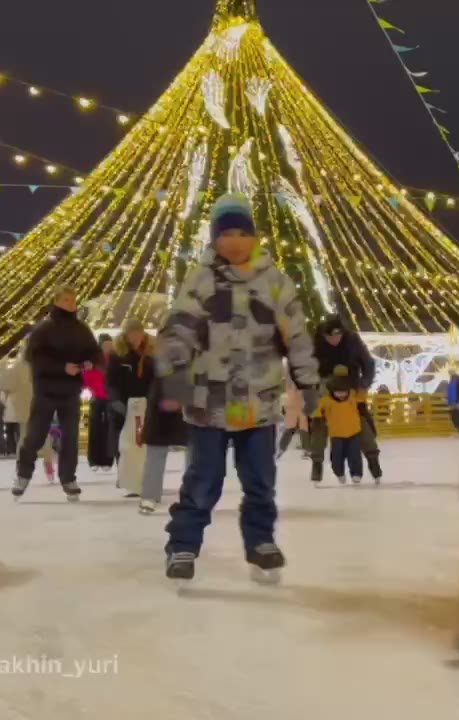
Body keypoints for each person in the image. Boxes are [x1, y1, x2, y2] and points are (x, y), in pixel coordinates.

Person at [154, 193, 320, 584]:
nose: (234, 241)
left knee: (260, 480)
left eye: (242, 233)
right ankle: (183, 544)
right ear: (214, 238)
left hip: (257, 403)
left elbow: (297, 336)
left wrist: (307, 380)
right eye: (226, 233)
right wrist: (173, 376)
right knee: (203, 480)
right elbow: (178, 329)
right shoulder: (201, 280)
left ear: (254, 237)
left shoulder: (275, 283)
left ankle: (261, 541)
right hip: (207, 403)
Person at [12, 286, 99, 501]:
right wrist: (62, 367)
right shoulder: (44, 329)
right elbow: (34, 358)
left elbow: (95, 352)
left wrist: (89, 362)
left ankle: (68, 478)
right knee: (35, 435)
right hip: (46, 391)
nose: (71, 303)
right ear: (57, 301)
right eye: (66, 299)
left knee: (70, 437)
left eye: (73, 300)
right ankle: (23, 474)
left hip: (71, 391)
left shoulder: (82, 329)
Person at [309, 315, 382, 483]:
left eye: (337, 336)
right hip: (326, 383)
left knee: (360, 420)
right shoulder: (317, 341)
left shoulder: (352, 340)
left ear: (342, 333)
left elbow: (368, 363)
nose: (333, 340)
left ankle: (373, 460)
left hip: (350, 382)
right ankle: (317, 463)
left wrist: (364, 383)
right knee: (319, 421)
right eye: (329, 337)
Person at [108, 321, 154, 498]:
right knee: (124, 444)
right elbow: (111, 381)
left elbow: (155, 379)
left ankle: (142, 478)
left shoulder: (150, 353)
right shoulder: (117, 354)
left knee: (143, 444)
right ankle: (125, 476)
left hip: (145, 404)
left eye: (138, 334)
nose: (135, 338)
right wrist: (115, 401)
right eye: (132, 335)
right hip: (123, 404)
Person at [138, 367, 187, 516]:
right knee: (155, 454)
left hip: (189, 409)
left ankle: (193, 496)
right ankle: (149, 495)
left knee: (195, 456)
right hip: (159, 411)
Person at [315, 367, 365, 485]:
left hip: (353, 432)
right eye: (338, 393)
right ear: (333, 391)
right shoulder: (327, 400)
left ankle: (356, 473)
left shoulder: (353, 396)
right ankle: (339, 472)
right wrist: (317, 418)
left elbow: (361, 396)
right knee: (337, 457)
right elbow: (317, 409)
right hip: (336, 434)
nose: (341, 395)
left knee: (354, 455)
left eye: (344, 393)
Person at [84, 334, 115, 471]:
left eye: (110, 345)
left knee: (109, 429)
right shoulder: (93, 361)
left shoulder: (115, 360)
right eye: (106, 345)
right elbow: (86, 379)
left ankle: (108, 460)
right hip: (97, 397)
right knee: (95, 428)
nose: (108, 348)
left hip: (111, 398)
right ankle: (93, 460)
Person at [277, 377, 309, 460]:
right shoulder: (291, 384)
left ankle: (306, 450)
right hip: (293, 409)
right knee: (292, 429)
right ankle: (281, 449)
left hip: (300, 409)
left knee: (302, 430)